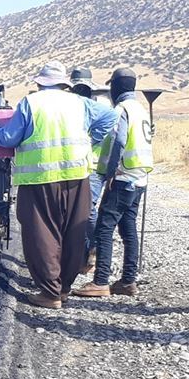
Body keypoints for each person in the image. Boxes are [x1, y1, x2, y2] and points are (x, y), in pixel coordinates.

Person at [0, 64, 117, 308]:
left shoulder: (31, 103)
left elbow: (8, 138)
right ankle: (64, 287)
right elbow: (110, 117)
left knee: (42, 233)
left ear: (39, 83)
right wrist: (90, 141)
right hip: (77, 176)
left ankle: (50, 292)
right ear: (63, 83)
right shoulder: (79, 102)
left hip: (40, 178)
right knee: (73, 232)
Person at [74, 68, 153, 297]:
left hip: (122, 176)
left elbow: (118, 141)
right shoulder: (140, 109)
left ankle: (100, 281)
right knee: (128, 228)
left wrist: (110, 174)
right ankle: (128, 280)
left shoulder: (121, 109)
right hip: (140, 177)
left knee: (104, 228)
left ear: (116, 87)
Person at [69, 67, 109, 270]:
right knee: (77, 210)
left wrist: (90, 140)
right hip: (76, 165)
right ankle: (83, 255)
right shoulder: (72, 108)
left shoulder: (97, 108)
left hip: (93, 166)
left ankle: (94, 248)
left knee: (87, 209)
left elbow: (111, 121)